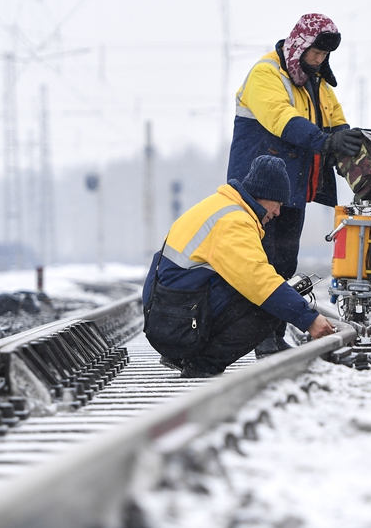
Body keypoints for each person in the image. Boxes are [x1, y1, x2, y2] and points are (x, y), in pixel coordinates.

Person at [227, 12, 363, 356]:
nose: (319, 61)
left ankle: (272, 334)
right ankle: (262, 339)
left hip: (292, 190)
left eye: (324, 56)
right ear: (299, 47)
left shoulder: (317, 83)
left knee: (284, 264)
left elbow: (336, 124)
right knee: (263, 263)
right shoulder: (265, 74)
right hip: (258, 191)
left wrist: (352, 153)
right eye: (315, 54)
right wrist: (325, 141)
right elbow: (282, 119)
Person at [143, 155, 335, 377]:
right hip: (178, 327)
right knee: (270, 303)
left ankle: (184, 354)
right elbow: (259, 281)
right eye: (278, 204)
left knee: (269, 293)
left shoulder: (220, 206)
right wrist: (308, 319)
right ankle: (202, 364)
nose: (278, 213)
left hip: (168, 317)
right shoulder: (234, 222)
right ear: (264, 196)